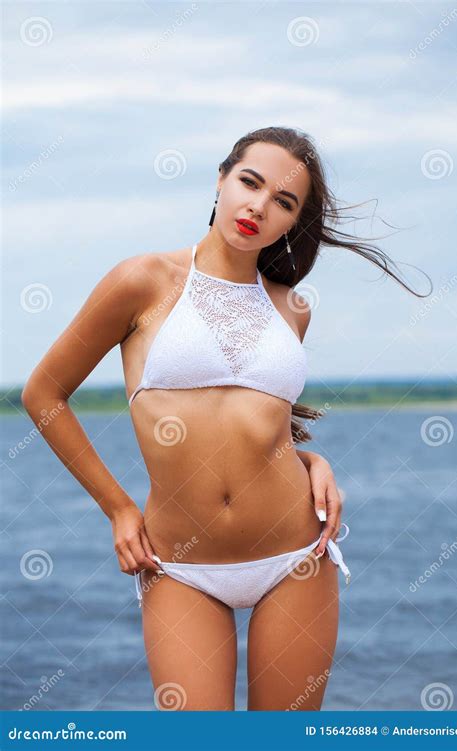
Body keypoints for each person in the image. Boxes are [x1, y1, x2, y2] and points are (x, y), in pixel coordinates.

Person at [21, 126, 431, 711]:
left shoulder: (292, 308)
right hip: (181, 565)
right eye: (250, 182)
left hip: (296, 556)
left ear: (291, 223)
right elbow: (44, 394)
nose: (258, 206)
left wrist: (313, 460)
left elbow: (263, 424)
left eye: (283, 202)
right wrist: (117, 508)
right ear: (221, 179)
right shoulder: (143, 282)